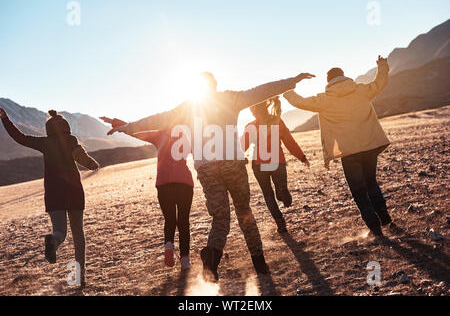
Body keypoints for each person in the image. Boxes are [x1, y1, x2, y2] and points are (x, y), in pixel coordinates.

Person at [107, 71, 315, 281]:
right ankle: (259, 262)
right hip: (232, 162)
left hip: (206, 167)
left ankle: (212, 257)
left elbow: (158, 119)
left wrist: (128, 126)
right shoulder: (231, 98)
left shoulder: (188, 108)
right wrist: (292, 81)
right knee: (244, 211)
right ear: (215, 86)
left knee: (220, 217)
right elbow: (262, 91)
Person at [283, 56, 396, 237]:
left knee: (359, 190)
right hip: (369, 147)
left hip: (349, 153)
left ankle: (375, 229)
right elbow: (380, 82)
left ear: (329, 82)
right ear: (344, 77)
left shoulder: (325, 100)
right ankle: (386, 221)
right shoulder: (360, 91)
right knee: (371, 183)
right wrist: (382, 65)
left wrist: (287, 90)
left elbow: (300, 102)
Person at [0, 108, 99, 286]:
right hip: (74, 191)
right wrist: (91, 164)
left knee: (60, 231)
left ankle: (53, 240)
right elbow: (79, 155)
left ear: (48, 129)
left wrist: (5, 119)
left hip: (53, 194)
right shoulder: (70, 140)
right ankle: (79, 277)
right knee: (78, 235)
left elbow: (20, 137)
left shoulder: (44, 143)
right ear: (66, 127)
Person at [100, 117, 194, 270]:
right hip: (184, 183)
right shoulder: (188, 135)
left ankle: (169, 246)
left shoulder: (160, 134)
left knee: (169, 220)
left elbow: (138, 131)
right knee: (183, 222)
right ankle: (185, 259)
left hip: (164, 184)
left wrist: (118, 124)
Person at [241, 97, 310, 233]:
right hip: (277, 162)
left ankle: (280, 223)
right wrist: (302, 157)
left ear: (254, 111)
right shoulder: (277, 121)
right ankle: (282, 189)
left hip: (259, 165)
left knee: (268, 195)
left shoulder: (251, 126)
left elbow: (241, 147)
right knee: (280, 190)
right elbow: (289, 142)